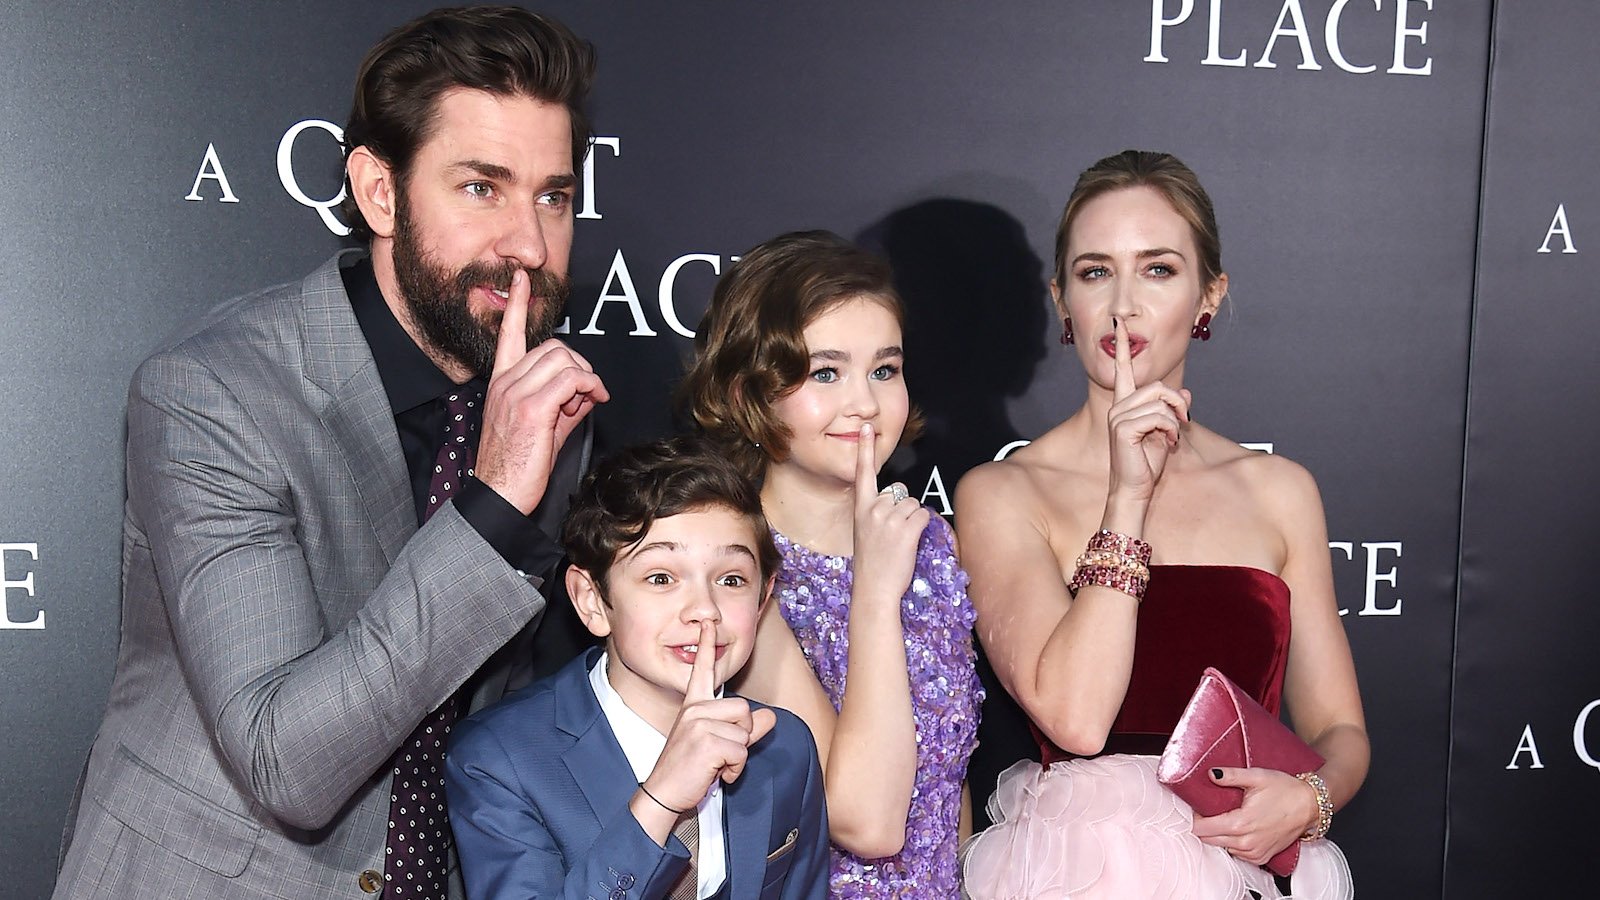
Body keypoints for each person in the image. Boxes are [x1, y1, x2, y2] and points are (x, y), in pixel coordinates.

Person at [51, 8, 608, 899]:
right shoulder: (217, 392)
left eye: (552, 194)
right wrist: (497, 498)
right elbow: (289, 762)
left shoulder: (549, 413)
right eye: (481, 188)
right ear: (379, 192)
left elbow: (502, 719)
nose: (530, 247)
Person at [958, 150, 1368, 899]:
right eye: (1093, 272)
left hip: (1247, 866)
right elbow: (1078, 721)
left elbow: (1340, 730)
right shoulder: (1003, 493)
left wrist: (1310, 801)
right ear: (1061, 301)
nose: (1122, 304)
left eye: (1157, 270)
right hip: (1078, 874)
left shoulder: (1279, 491)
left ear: (1209, 296)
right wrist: (1126, 498)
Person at [678, 231, 982, 896]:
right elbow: (864, 822)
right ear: (744, 394)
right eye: (825, 373)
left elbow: (945, 784)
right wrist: (874, 593)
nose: (866, 404)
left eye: (884, 369)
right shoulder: (737, 569)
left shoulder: (929, 542)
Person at [445, 437, 829, 899]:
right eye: (661, 578)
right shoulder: (500, 758)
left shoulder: (783, 747)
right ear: (592, 600)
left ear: (763, 598)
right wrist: (661, 799)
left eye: (731, 579)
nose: (704, 609)